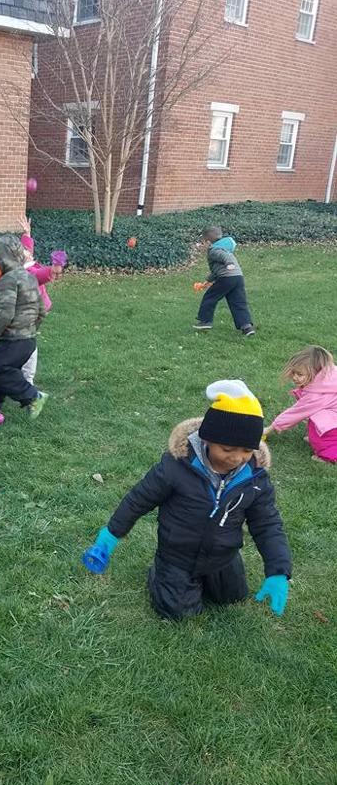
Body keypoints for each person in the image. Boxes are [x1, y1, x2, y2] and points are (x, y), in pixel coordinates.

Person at [83, 380, 292, 620]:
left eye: (247, 450)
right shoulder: (175, 467)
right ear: (207, 439)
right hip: (178, 555)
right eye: (227, 449)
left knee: (232, 597)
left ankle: (210, 578)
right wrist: (110, 534)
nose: (237, 458)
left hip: (222, 556)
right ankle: (159, 574)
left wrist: (278, 571)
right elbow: (137, 500)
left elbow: (268, 525)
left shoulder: (255, 478)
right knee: (179, 613)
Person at [0, 234, 48, 418]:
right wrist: (33, 328)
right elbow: (42, 310)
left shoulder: (7, 281)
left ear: (2, 259)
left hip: (12, 340)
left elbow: (6, 313)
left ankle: (33, 396)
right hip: (29, 340)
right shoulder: (30, 277)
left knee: (3, 372)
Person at [265, 345, 337, 463]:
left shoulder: (316, 395)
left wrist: (270, 428)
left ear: (315, 372)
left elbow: (296, 413)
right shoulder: (329, 376)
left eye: (300, 374)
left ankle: (328, 455)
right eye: (293, 373)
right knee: (319, 420)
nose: (295, 377)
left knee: (322, 427)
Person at [18, 215, 64, 384]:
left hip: (31, 312)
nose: (28, 252)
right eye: (25, 253)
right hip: (30, 312)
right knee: (26, 344)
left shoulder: (25, 265)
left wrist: (27, 233)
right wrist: (53, 270)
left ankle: (23, 376)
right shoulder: (28, 274)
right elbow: (40, 275)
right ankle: (24, 376)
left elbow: (27, 249)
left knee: (24, 342)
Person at [193, 226, 255, 336]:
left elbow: (224, 258)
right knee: (238, 302)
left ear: (208, 241)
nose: (202, 245)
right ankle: (246, 327)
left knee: (210, 297)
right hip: (238, 278)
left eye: (203, 242)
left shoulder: (214, 250)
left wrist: (229, 264)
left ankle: (205, 321)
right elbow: (216, 270)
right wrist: (207, 281)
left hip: (226, 278)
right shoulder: (225, 249)